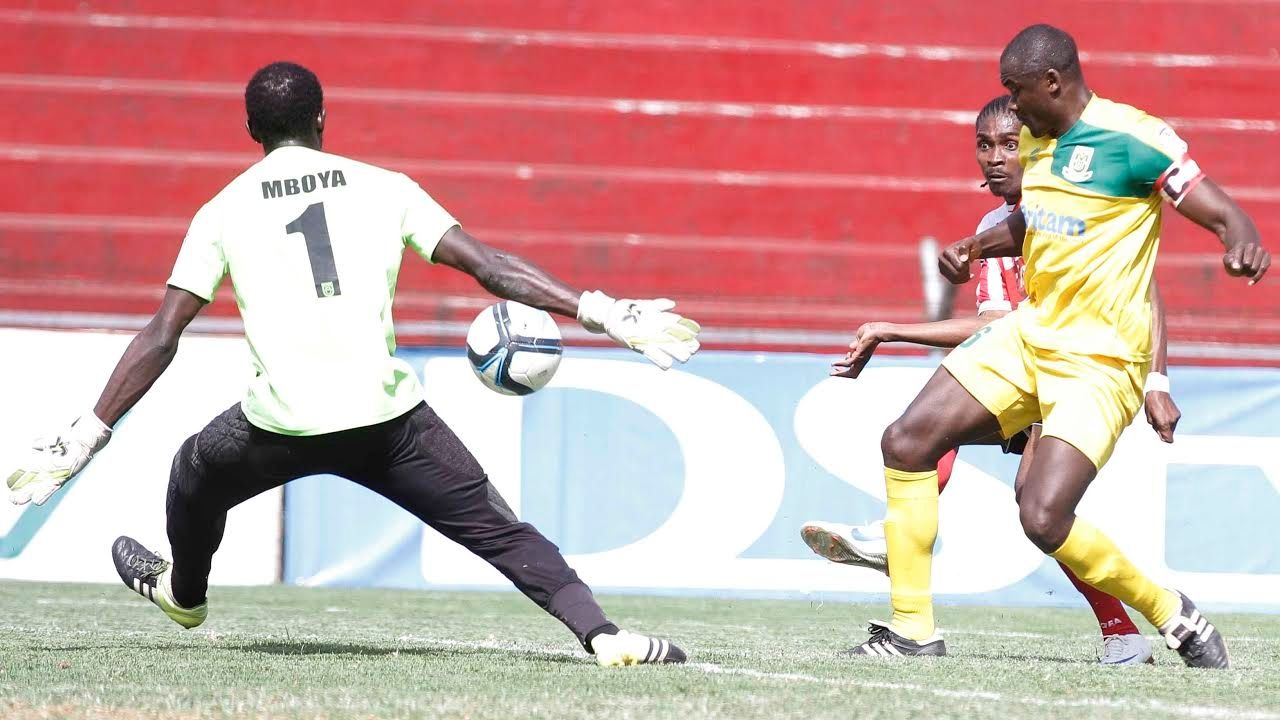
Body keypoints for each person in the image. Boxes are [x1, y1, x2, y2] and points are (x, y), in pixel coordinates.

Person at [4, 62, 700, 668]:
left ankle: (184, 596)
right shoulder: (385, 186)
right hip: (389, 421)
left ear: (251, 130)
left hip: (277, 426)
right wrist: (600, 310)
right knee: (500, 530)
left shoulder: (221, 211)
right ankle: (603, 634)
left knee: (192, 472)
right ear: (322, 117)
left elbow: (163, 333)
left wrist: (86, 435)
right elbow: (488, 267)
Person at [845, 25, 1268, 667]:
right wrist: (975, 245)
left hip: (1100, 362)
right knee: (906, 440)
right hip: (1032, 332)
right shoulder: (1040, 140)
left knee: (1042, 516)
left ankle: (1167, 612)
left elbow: (1217, 207)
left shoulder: (1134, 138)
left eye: (1016, 93)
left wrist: (1240, 237)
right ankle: (912, 630)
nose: (1011, 108)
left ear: (1053, 82)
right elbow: (1034, 216)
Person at [800, 96, 1178, 665]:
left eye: (1008, 143)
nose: (995, 158)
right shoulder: (993, 226)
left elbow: (1147, 294)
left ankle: (1139, 624)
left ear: (1035, 147)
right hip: (1025, 370)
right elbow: (991, 326)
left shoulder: (1079, 206)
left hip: (1082, 372)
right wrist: (891, 327)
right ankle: (1122, 635)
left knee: (1035, 505)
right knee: (928, 435)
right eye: (984, 145)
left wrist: (1159, 378)